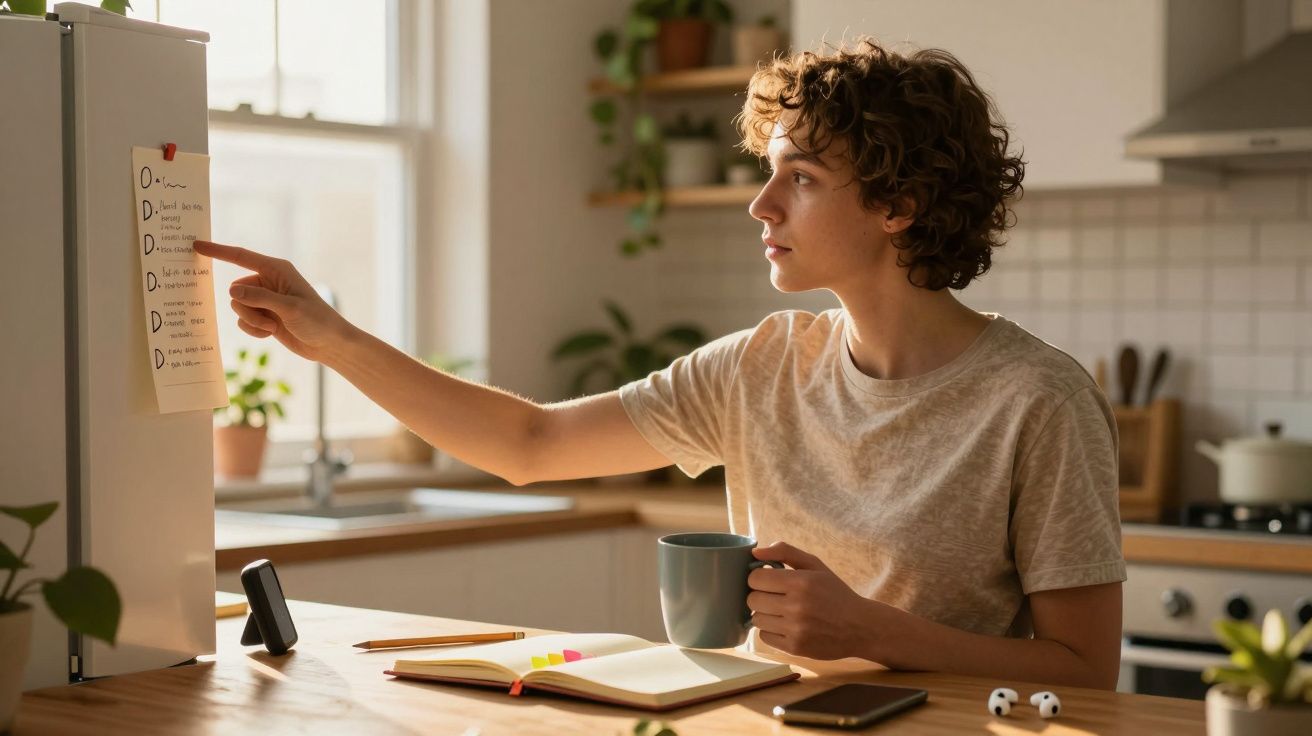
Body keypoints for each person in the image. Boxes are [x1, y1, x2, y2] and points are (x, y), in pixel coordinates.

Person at [195, 38, 1125, 689]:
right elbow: (529, 443)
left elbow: (1085, 669)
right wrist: (333, 338)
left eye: (800, 178)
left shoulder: (1037, 399)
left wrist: (876, 633)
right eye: (769, 171)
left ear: (899, 205)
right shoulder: (760, 366)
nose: (761, 204)